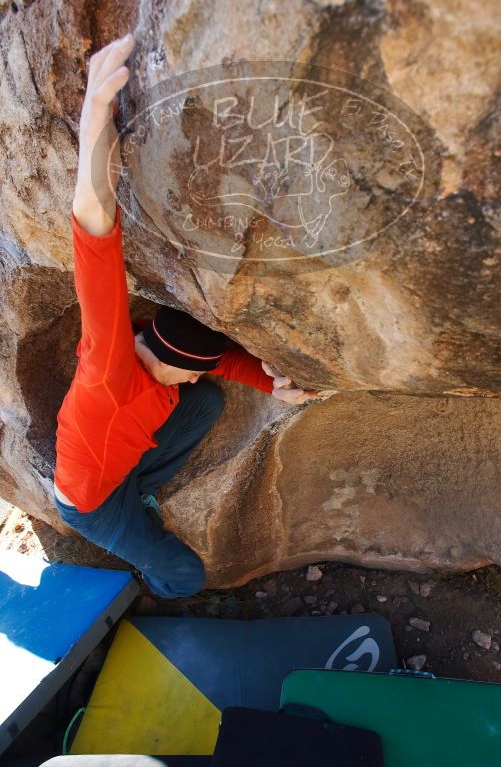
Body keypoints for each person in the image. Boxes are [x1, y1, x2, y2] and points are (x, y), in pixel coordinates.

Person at [53, 32, 319, 599]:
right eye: (193, 366)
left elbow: (213, 362)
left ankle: (144, 485)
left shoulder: (161, 359)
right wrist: (94, 123)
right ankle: (147, 585)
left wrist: (275, 383)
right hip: (93, 504)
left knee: (206, 403)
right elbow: (93, 234)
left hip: (121, 469)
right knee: (185, 574)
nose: (200, 371)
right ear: (167, 358)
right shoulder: (107, 373)